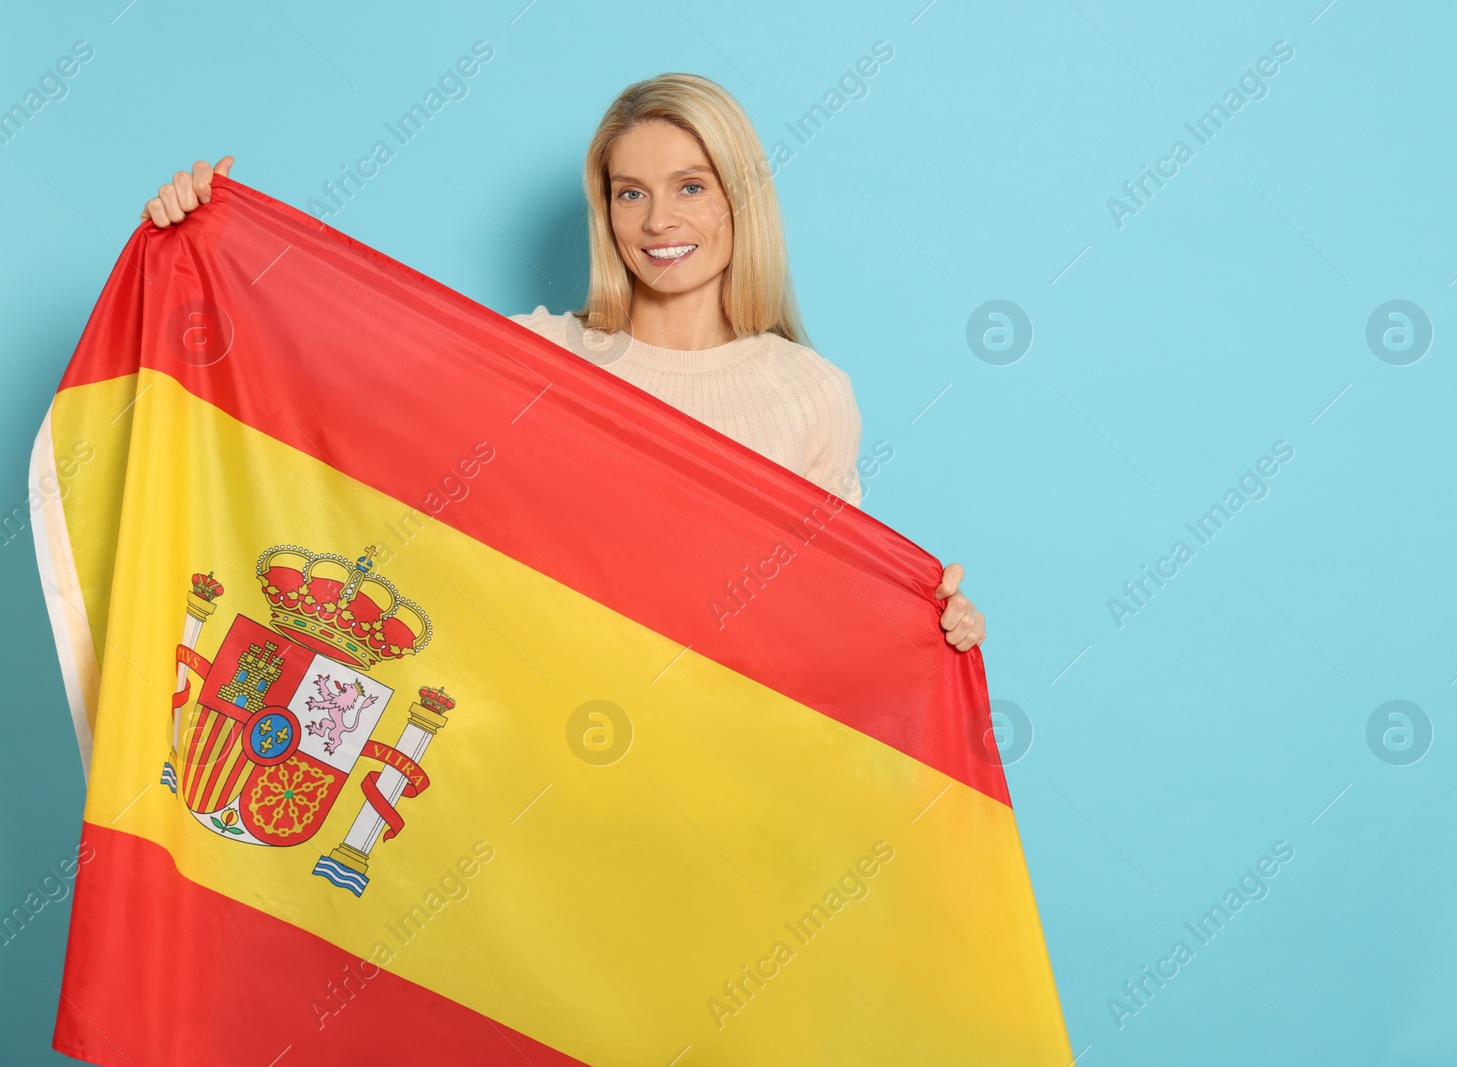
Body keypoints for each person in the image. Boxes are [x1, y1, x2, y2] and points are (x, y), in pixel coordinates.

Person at [139, 73, 986, 652]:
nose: (659, 220)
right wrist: (213, 254)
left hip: (720, 774)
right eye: (631, 191)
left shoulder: (809, 395)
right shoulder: (534, 356)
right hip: (535, 760)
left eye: (691, 186)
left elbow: (829, 619)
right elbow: (332, 395)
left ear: (740, 198)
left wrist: (928, 628)